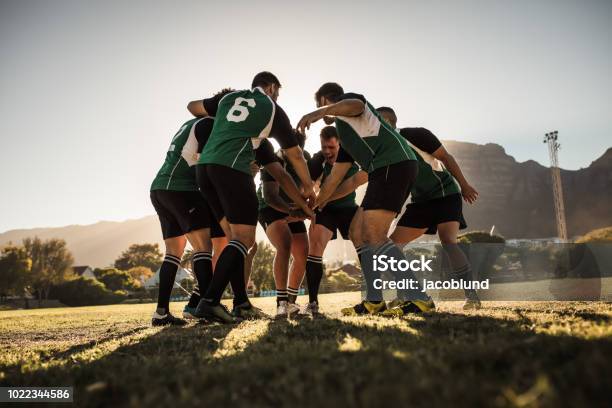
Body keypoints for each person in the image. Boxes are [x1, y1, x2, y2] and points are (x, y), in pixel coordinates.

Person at [298, 82, 434, 316]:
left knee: (375, 235)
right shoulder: (347, 135)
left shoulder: (349, 103)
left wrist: (319, 112)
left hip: (394, 165)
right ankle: (374, 300)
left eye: (319, 105)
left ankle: (419, 298)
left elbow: (356, 104)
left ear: (323, 100)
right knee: (357, 233)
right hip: (385, 170)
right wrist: (316, 203)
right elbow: (341, 181)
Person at [189, 72, 315, 323]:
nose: (277, 97)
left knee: (236, 241)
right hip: (232, 169)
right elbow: (295, 156)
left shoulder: (231, 99)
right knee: (244, 240)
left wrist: (220, 117)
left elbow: (192, 107)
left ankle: (239, 303)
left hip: (205, 170)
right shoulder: (272, 109)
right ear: (271, 87)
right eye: (277, 92)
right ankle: (209, 301)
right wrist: (309, 191)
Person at [376, 106, 481, 311]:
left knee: (448, 241)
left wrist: (464, 185)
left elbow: (446, 157)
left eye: (377, 122)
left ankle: (472, 297)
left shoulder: (416, 135)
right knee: (392, 247)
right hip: (420, 202)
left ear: (387, 122)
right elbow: (401, 185)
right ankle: (405, 296)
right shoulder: (386, 152)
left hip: (445, 195)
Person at [149, 89, 233, 325]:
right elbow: (205, 164)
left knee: (174, 251)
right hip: (181, 189)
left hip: (160, 188)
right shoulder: (208, 124)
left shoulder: (191, 123)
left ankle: (161, 313)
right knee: (203, 247)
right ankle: (208, 306)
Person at [303, 126, 365, 316]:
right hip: (326, 210)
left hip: (348, 208)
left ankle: (373, 298)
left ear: (340, 143)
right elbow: (308, 185)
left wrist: (325, 197)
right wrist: (310, 202)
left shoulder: (353, 155)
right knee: (314, 247)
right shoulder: (318, 160)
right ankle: (313, 302)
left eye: (331, 147)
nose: (327, 152)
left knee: (365, 245)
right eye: (324, 147)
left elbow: (356, 182)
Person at [257, 131, 310, 317]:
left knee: (303, 253)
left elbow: (309, 186)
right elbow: (270, 196)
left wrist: (304, 210)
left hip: (293, 207)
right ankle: (281, 303)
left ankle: (291, 302)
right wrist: (293, 212)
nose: (297, 155)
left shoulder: (305, 158)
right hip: (270, 207)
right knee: (285, 244)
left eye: (300, 152)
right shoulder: (273, 161)